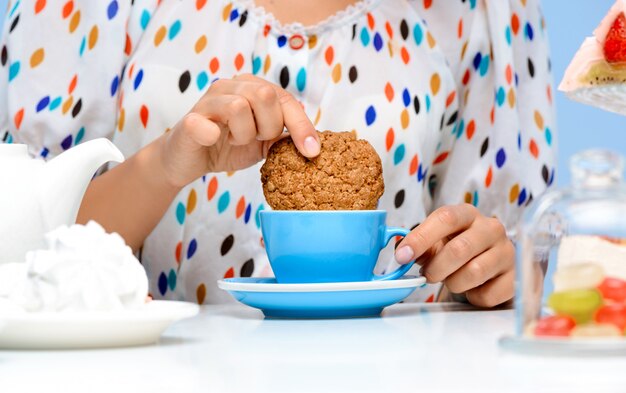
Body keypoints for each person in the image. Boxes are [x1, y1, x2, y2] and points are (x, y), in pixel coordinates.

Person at [0, 0, 555, 306]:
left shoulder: (479, 12)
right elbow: (29, 258)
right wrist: (164, 165)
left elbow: (502, 266)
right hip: (156, 391)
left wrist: (488, 272)